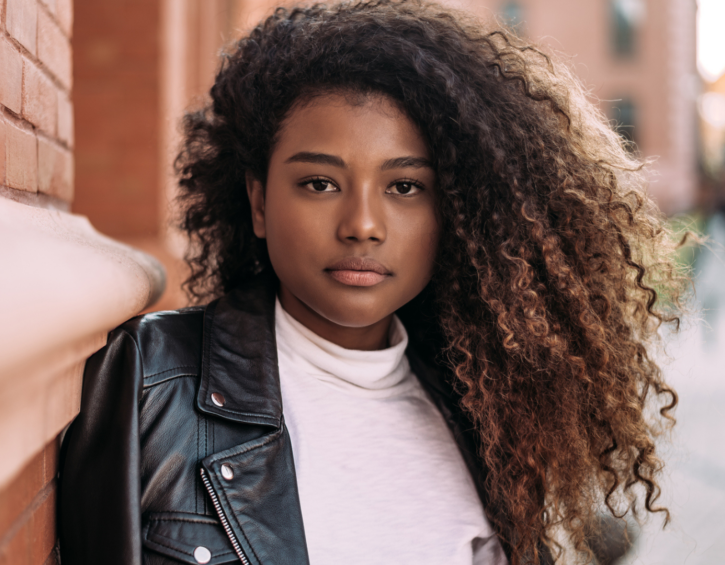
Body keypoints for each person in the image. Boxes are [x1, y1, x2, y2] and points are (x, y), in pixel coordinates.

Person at [57, 2, 685, 564]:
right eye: (320, 183)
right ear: (258, 202)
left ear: (454, 214)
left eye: (405, 187)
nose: (362, 224)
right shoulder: (153, 381)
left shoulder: (484, 416)